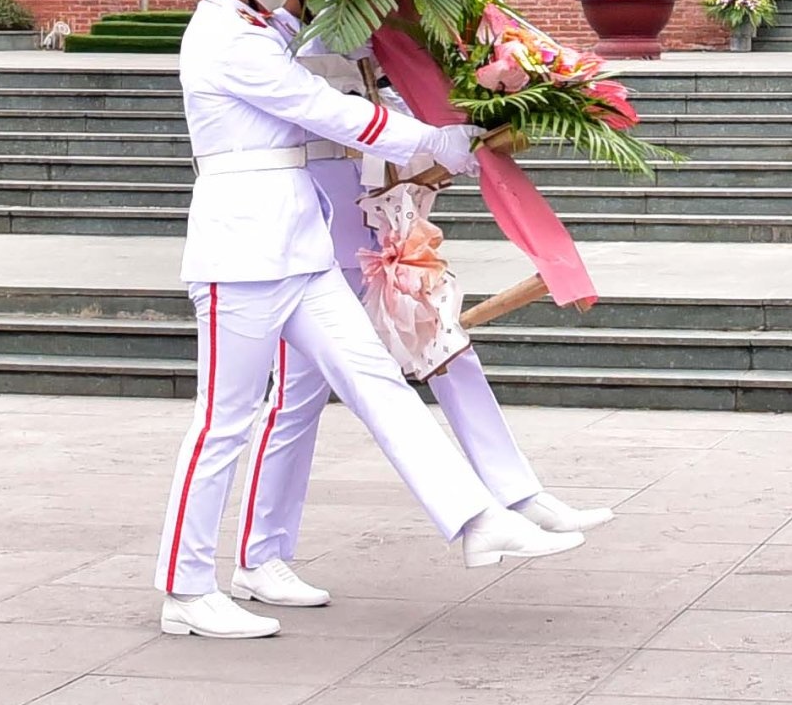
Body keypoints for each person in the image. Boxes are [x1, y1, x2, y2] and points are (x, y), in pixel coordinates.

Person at [157, 0, 577, 640]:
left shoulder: (260, 31)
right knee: (220, 425)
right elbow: (325, 110)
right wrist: (430, 139)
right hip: (239, 254)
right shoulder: (225, 38)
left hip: (299, 246)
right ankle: (185, 589)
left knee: (376, 382)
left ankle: (476, 519)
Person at [218, 30, 609, 608]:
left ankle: (516, 491)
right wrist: (425, 138)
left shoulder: (375, 16)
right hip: (308, 211)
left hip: (373, 201)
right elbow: (326, 111)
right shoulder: (275, 28)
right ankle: (260, 554)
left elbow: (385, 97)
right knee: (297, 394)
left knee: (446, 343)